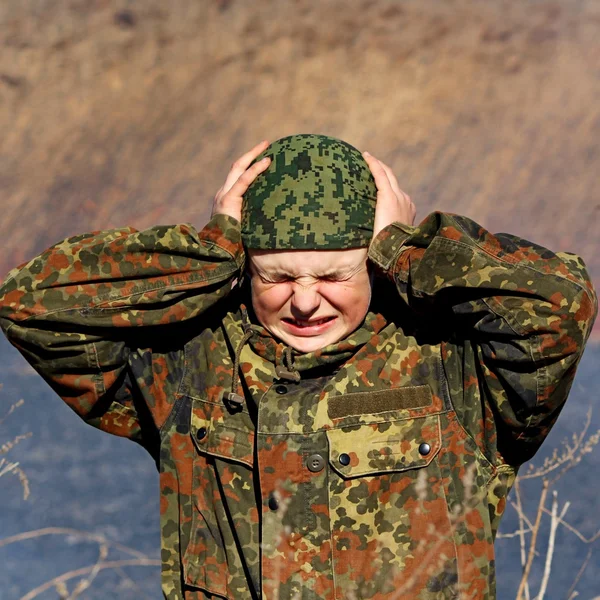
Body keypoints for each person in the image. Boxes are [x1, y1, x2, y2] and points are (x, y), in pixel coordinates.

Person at [0, 134, 596, 600]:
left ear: (374, 263)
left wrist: (411, 249)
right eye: (277, 276)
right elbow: (30, 305)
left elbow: (561, 305)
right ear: (244, 267)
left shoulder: (451, 367)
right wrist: (206, 253)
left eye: (335, 275)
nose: (305, 301)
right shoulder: (191, 362)